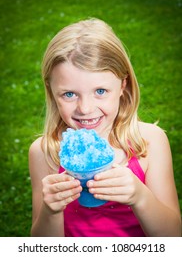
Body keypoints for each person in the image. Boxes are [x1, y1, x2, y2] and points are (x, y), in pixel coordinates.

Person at [29, 18, 181, 237]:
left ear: (122, 85)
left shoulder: (149, 141)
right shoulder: (44, 152)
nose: (86, 108)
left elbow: (174, 237)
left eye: (100, 91)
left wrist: (140, 196)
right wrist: (51, 211)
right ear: (52, 91)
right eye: (69, 94)